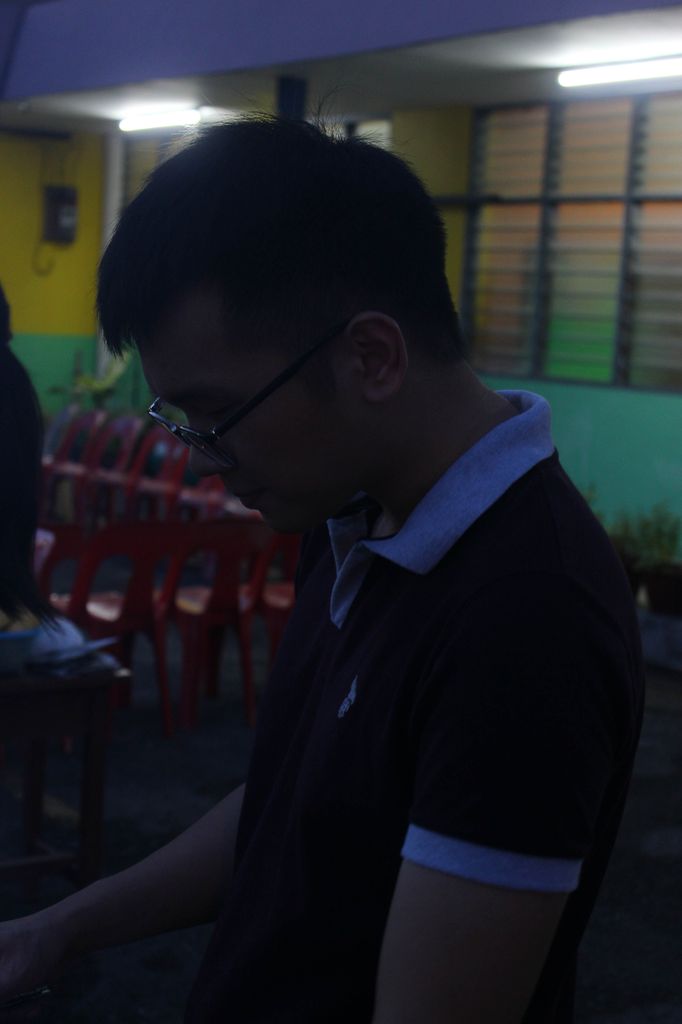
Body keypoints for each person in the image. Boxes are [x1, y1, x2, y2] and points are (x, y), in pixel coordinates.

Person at [0, 116, 645, 1023]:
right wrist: (58, 930)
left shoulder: (527, 620)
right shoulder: (352, 509)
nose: (201, 460)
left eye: (216, 415)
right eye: (179, 421)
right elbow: (296, 804)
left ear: (371, 356)